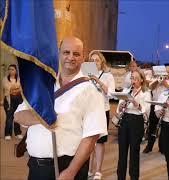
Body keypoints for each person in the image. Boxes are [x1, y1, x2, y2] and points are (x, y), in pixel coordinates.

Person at [14, 36, 108, 180]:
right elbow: (18, 115)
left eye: (76, 54)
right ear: (59, 53)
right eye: (66, 52)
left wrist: (70, 172)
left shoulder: (91, 90)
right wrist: (43, 117)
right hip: (36, 168)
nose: (71, 57)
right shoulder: (44, 84)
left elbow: (90, 137)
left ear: (82, 58)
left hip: (67, 169)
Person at [116, 69, 151, 180]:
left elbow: (147, 110)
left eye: (136, 78)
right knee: (122, 152)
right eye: (132, 78)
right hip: (125, 120)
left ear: (141, 80)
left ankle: (134, 177)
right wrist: (120, 107)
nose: (133, 81)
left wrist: (138, 105)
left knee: (134, 152)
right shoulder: (126, 90)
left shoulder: (146, 92)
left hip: (137, 121)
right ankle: (120, 177)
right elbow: (118, 110)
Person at [88, 51, 115, 180]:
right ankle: (88, 168)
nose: (94, 63)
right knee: (88, 141)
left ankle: (98, 170)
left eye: (97, 60)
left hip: (102, 110)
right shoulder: (85, 74)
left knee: (99, 142)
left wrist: (97, 80)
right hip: (88, 111)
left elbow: (111, 94)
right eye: (92, 60)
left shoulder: (108, 75)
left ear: (102, 62)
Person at [143, 65, 169, 153]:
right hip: (155, 104)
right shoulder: (156, 79)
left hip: (165, 106)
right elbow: (150, 88)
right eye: (165, 71)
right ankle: (149, 146)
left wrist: (165, 82)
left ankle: (162, 148)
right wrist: (158, 80)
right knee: (152, 126)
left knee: (163, 128)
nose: (166, 73)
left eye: (168, 72)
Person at [2, 64, 23, 140]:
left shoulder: (19, 79)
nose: (10, 71)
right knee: (9, 117)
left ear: (16, 71)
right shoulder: (5, 79)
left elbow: (21, 88)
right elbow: (7, 88)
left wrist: (14, 89)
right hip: (9, 100)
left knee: (17, 116)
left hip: (18, 99)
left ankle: (18, 133)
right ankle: (8, 134)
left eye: (12, 69)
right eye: (9, 69)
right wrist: (15, 88)